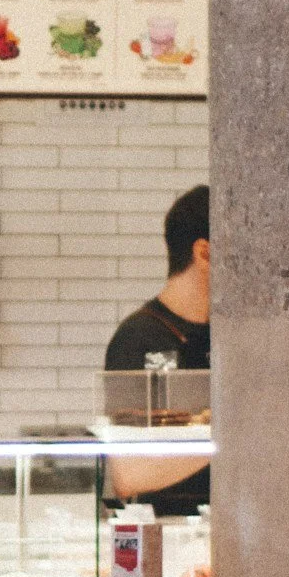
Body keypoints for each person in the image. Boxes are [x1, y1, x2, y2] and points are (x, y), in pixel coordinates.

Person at [103, 183, 210, 513]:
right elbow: (129, 474)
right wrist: (236, 433)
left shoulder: (231, 338)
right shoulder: (138, 338)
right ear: (204, 253)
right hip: (164, 543)